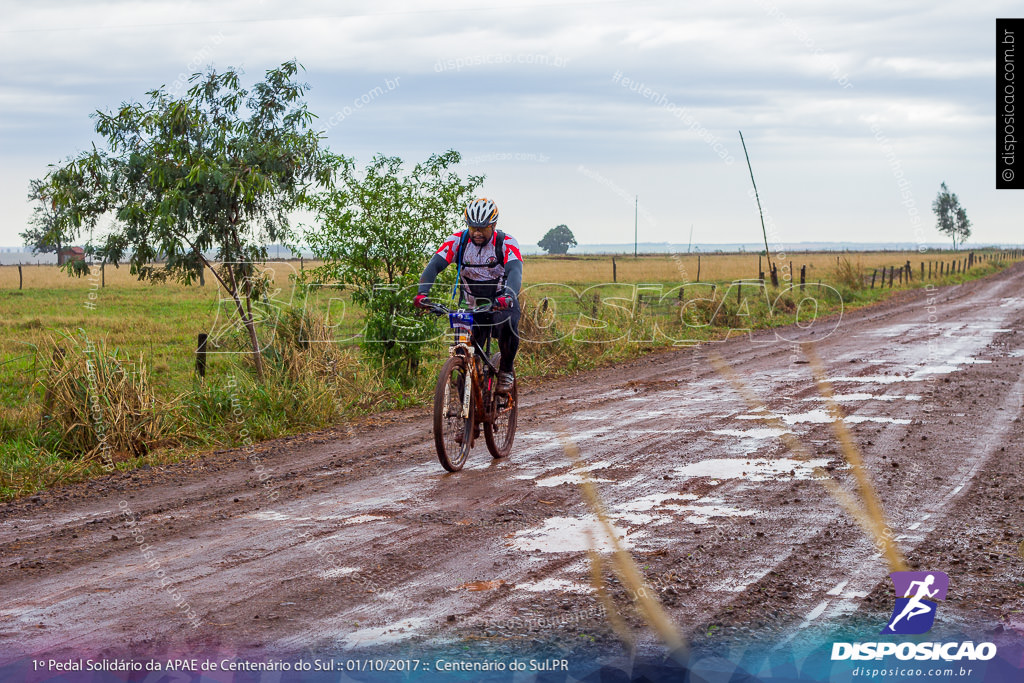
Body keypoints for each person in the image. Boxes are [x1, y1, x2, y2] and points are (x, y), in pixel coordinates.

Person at [414, 197, 523, 394]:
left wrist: (508, 296)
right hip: (471, 303)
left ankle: (506, 370)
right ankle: (469, 384)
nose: (477, 232)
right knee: (464, 350)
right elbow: (434, 267)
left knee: (509, 323)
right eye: (473, 228)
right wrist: (423, 294)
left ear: (494, 224)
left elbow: (515, 271)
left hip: (501, 300)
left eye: (483, 228)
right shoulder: (458, 241)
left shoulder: (506, 242)